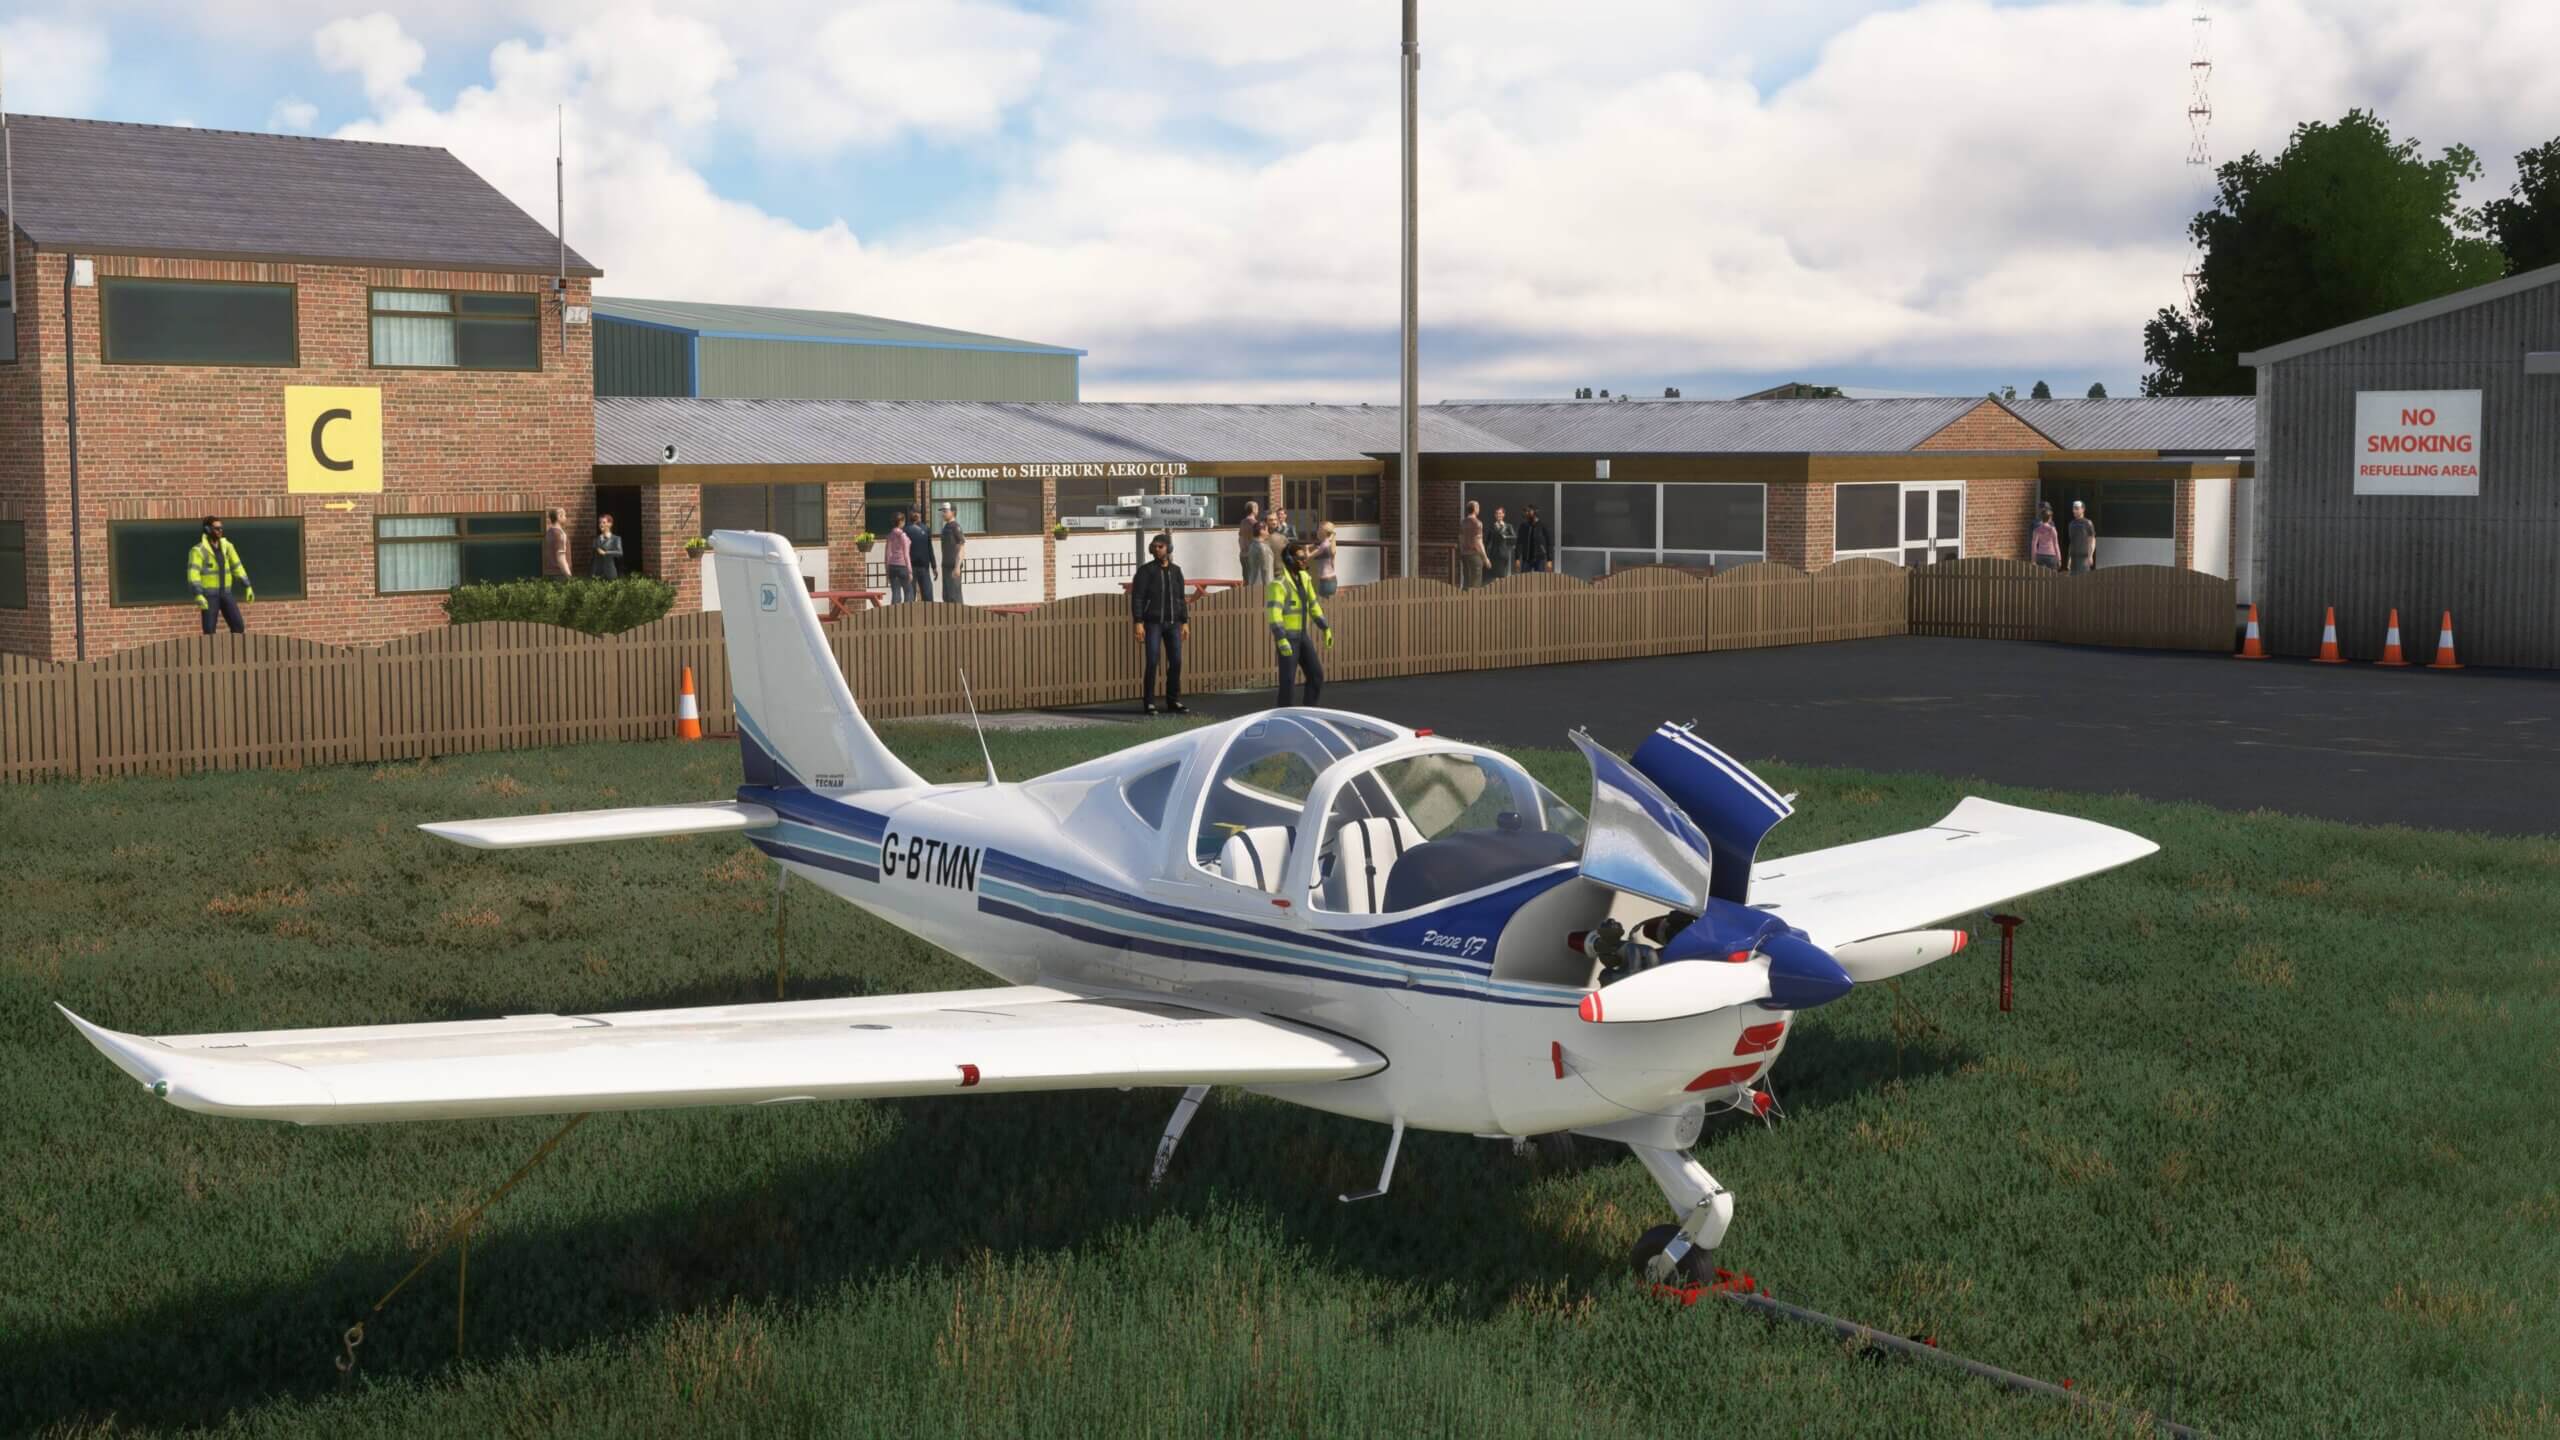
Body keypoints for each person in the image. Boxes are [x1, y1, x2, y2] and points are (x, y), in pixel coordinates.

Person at [1130, 532, 1191, 715]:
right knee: (1152, 661)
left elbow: (1181, 598)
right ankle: (1149, 702)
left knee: (1177, 661)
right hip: (1153, 623)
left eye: (1160, 546)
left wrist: (1185, 621)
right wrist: (1138, 622)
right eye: (1154, 546)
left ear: (1168, 548)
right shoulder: (1145, 571)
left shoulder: (1176, 571)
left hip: (1173, 623)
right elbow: (1137, 598)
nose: (1157, 549)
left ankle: (1173, 700)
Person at [1268, 538, 1332, 708]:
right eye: (1300, 558)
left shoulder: (1305, 578)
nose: (1305, 560)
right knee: (1288, 681)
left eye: (1305, 557)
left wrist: (1324, 627)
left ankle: (1309, 710)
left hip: (1302, 636)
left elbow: (1313, 604)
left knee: (1316, 674)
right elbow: (1274, 614)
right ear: (1290, 561)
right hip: (1288, 637)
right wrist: (1281, 638)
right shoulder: (1279, 585)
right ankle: (1283, 715)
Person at [186, 516, 254, 635]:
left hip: (226, 593)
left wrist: (247, 586)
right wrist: (198, 594)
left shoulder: (227, 547)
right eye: (217, 528)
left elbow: (237, 566)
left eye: (221, 528)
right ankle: (210, 653)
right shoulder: (198, 550)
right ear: (207, 530)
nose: (220, 531)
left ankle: (235, 653)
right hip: (209, 596)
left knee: (238, 627)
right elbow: (193, 574)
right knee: (209, 631)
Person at [938, 502, 967, 606]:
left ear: (953, 512)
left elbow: (961, 546)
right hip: (945, 566)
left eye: (945, 511)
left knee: (955, 596)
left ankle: (960, 619)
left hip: (953, 567)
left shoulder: (955, 527)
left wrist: (957, 567)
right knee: (946, 596)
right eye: (942, 511)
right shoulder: (946, 527)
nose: (943, 514)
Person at [1237, 503, 1270, 593]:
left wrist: (1242, 549)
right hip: (1253, 555)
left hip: (1243, 555)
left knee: (1246, 580)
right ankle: (1255, 603)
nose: (1258, 510)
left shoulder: (1242, 522)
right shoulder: (1255, 524)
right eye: (1257, 508)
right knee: (1255, 580)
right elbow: (1262, 539)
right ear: (1254, 509)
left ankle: (1246, 602)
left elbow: (1240, 539)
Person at [883, 509, 914, 603]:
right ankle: (907, 614)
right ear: (900, 522)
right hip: (902, 566)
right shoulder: (903, 536)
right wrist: (910, 571)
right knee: (909, 592)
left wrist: (887, 570)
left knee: (895, 593)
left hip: (892, 566)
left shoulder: (890, 536)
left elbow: (887, 554)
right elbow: (906, 554)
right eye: (904, 521)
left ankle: (894, 615)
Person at [906, 509, 938, 600]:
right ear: (910, 513)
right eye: (914, 512)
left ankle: (929, 614)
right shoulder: (905, 530)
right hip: (910, 568)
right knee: (910, 598)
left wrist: (934, 566)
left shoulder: (926, 529)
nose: (916, 514)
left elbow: (929, 548)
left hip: (924, 568)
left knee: (928, 596)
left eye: (918, 512)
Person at [1516, 505, 1554, 574]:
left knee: (1539, 582)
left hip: (1539, 559)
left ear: (1535, 512)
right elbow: (1519, 542)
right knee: (1524, 581)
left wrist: (1549, 560)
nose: (1526, 513)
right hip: (1526, 559)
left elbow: (1549, 543)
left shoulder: (1543, 525)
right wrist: (1517, 558)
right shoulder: (1523, 526)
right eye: (1525, 511)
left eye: (1528, 511)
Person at [1458, 500, 1487, 589]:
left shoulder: (1462, 523)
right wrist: (1485, 558)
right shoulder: (1477, 523)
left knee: (1466, 580)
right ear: (1475, 509)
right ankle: (1474, 602)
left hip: (1464, 555)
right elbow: (1479, 542)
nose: (1479, 509)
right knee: (1476, 582)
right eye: (1478, 507)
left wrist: (1462, 551)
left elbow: (1460, 539)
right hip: (1474, 555)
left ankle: (1464, 600)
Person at [2065, 499, 2098, 573]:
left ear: (2083, 509)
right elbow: (2072, 542)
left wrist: (2090, 555)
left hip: (2084, 557)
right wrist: (2069, 558)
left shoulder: (2087, 523)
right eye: (2073, 508)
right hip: (2074, 557)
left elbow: (2092, 540)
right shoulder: (2071, 524)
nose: (2074, 511)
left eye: (2077, 508)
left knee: (2083, 580)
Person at [1311, 520, 1341, 599]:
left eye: (1318, 529)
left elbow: (1309, 556)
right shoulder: (1330, 544)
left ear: (1322, 533)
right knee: (1331, 607)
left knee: (1322, 607)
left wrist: (1306, 548)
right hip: (1333, 580)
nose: (1317, 531)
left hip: (1325, 582)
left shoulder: (1323, 545)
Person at [590, 513, 624, 580]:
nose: (601, 524)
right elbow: (593, 559)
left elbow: (620, 553)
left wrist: (606, 553)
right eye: (600, 522)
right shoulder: (596, 539)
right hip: (596, 575)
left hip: (610, 573)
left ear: (610, 524)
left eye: (604, 522)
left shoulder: (616, 539)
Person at [2029, 503, 2062, 572]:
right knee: (2053, 577)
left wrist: (2033, 559)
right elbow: (2056, 544)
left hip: (2040, 554)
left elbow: (2033, 544)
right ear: (2049, 518)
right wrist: (2059, 558)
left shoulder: (2036, 529)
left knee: (2041, 577)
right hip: (2051, 555)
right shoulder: (2052, 529)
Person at [1487, 505, 1517, 580]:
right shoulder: (1492, 526)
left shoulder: (1508, 526)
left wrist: (1506, 537)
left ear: (1503, 514)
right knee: (1494, 575)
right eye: (1497, 513)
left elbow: (1514, 537)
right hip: (1493, 554)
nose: (1498, 515)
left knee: (1503, 575)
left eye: (1500, 513)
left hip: (1504, 553)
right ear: (1495, 515)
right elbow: (1487, 541)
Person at [543, 508, 571, 580]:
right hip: (560, 574)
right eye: (564, 515)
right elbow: (561, 557)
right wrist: (568, 575)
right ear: (559, 517)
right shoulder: (559, 534)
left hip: (548, 574)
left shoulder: (549, 532)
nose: (566, 518)